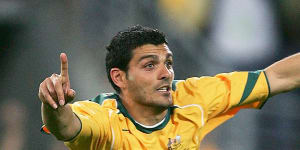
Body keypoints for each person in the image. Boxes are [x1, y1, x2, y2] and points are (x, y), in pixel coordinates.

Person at [39, 25, 300, 150]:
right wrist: (54, 103)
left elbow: (275, 78)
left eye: (169, 63)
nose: (166, 74)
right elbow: (67, 127)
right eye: (150, 65)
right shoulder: (104, 117)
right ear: (119, 77)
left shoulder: (193, 96)